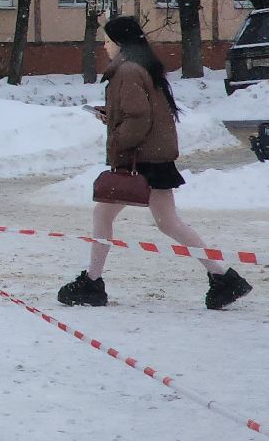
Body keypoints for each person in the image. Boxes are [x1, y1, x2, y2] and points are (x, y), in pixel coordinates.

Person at [58, 16, 253, 310]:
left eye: (108, 41)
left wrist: (116, 140)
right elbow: (141, 113)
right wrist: (111, 117)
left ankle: (92, 284)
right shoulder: (143, 67)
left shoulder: (127, 71)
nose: (105, 46)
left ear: (120, 44)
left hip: (142, 159)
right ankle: (222, 276)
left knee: (108, 216)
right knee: (166, 222)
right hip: (155, 156)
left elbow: (138, 118)